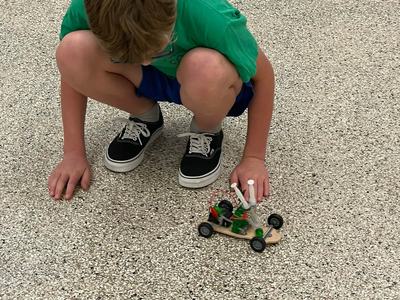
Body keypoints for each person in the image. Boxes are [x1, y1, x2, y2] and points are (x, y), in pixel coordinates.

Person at [48, 0, 275, 202]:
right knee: (71, 50)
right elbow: (71, 73)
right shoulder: (87, 6)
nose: (145, 62)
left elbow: (263, 76)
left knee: (207, 67)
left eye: (156, 50)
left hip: (206, 82)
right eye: (125, 55)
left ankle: (207, 129)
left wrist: (254, 158)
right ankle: (146, 116)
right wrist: (73, 153)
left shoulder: (209, 12)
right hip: (145, 79)